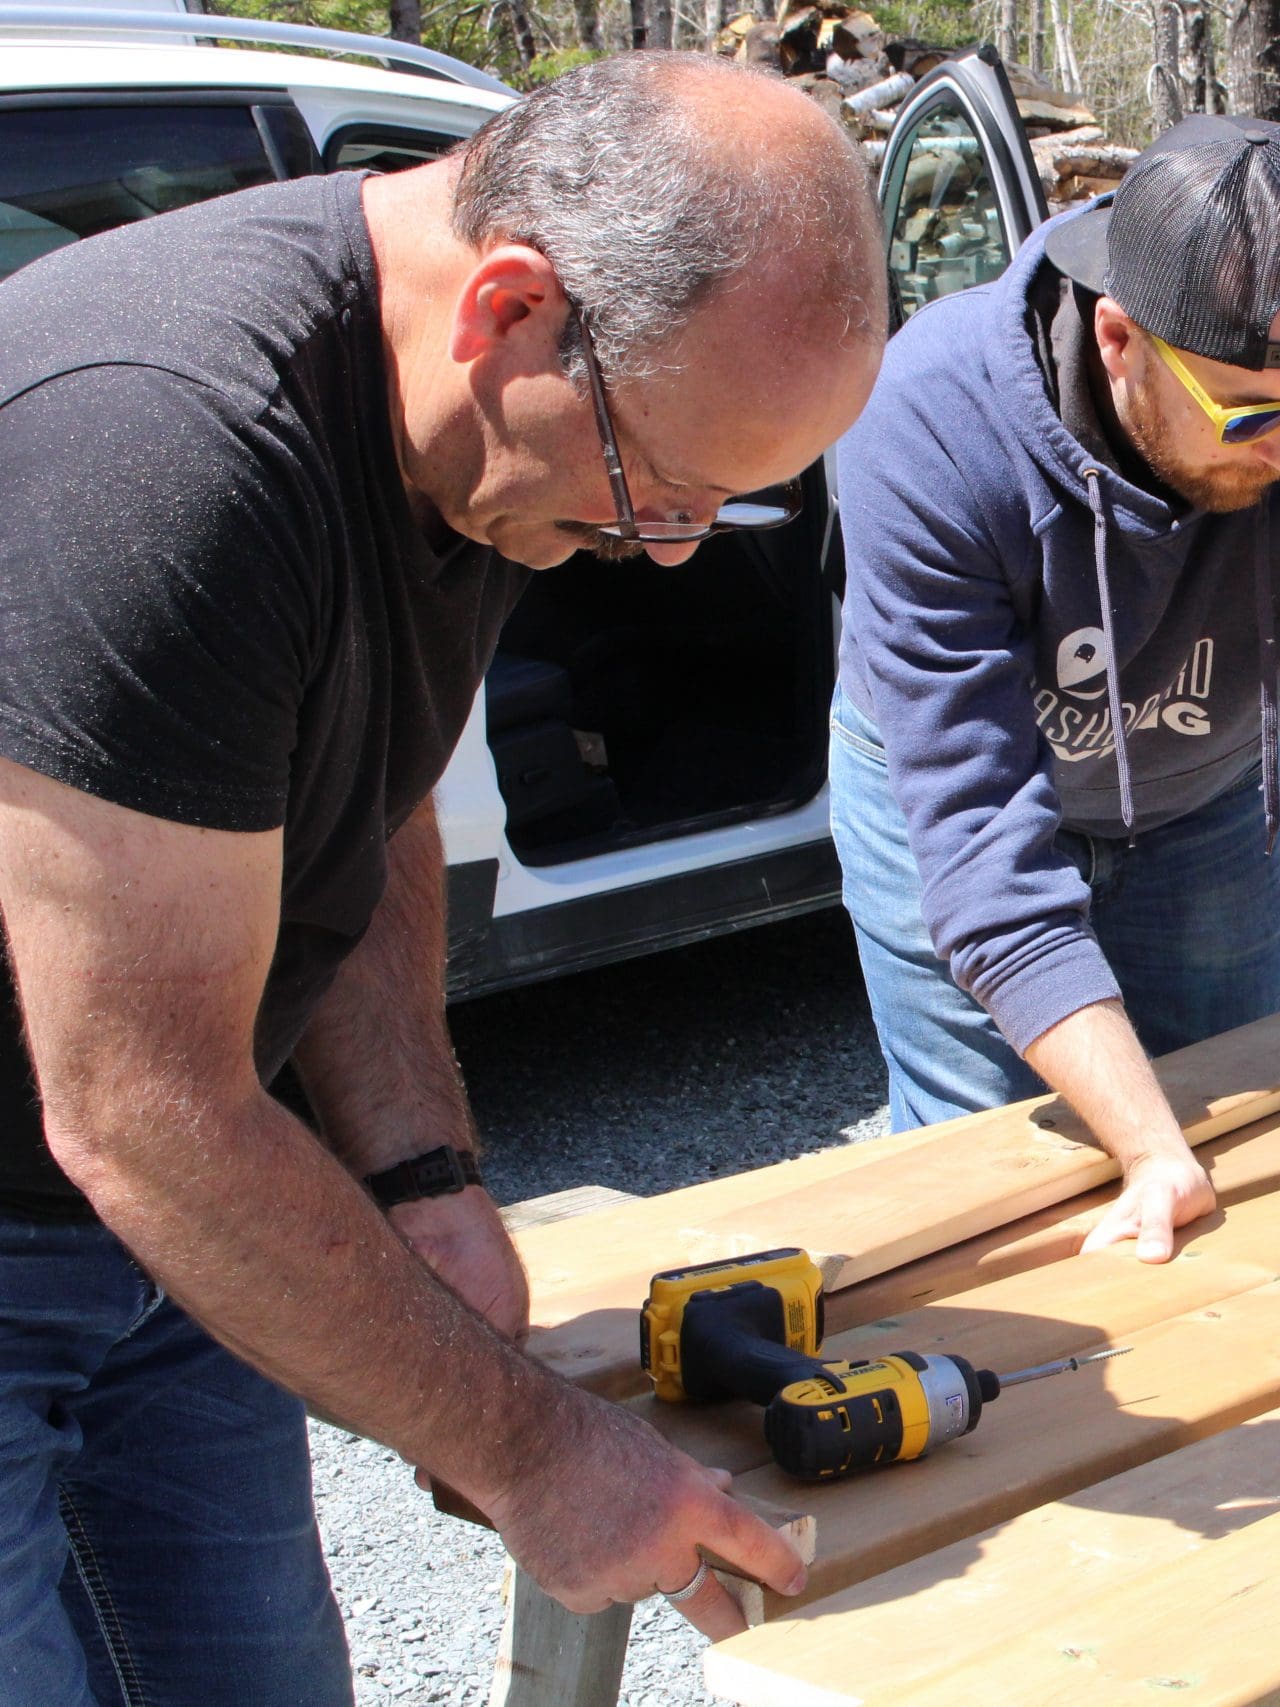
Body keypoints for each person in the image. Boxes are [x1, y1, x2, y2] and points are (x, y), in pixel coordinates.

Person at [0, 53, 882, 1703]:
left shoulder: (463, 452)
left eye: (720, 510)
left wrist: (418, 1172)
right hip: (117, 1155)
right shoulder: (178, 446)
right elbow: (132, 1106)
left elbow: (358, 798)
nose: (671, 551)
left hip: (170, 1215)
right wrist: (542, 1451)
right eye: (657, 488)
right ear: (513, 308)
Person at [830, 115, 1280, 1323]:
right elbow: (980, 850)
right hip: (948, 811)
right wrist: (1148, 1145)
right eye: (1244, 414)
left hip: (1210, 794)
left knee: (1251, 1184)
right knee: (999, 1212)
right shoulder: (928, 416)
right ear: (1118, 335)